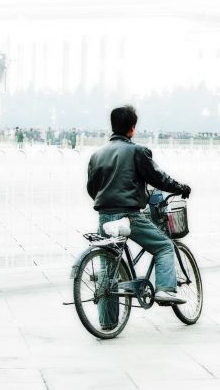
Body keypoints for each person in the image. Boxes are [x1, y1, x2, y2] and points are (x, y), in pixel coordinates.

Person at [87, 105, 192, 325]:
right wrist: (180, 187)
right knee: (164, 246)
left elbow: (92, 188)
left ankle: (107, 324)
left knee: (108, 270)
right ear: (132, 129)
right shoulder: (137, 151)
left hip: (104, 216)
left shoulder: (97, 155)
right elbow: (157, 178)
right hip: (129, 215)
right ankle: (165, 289)